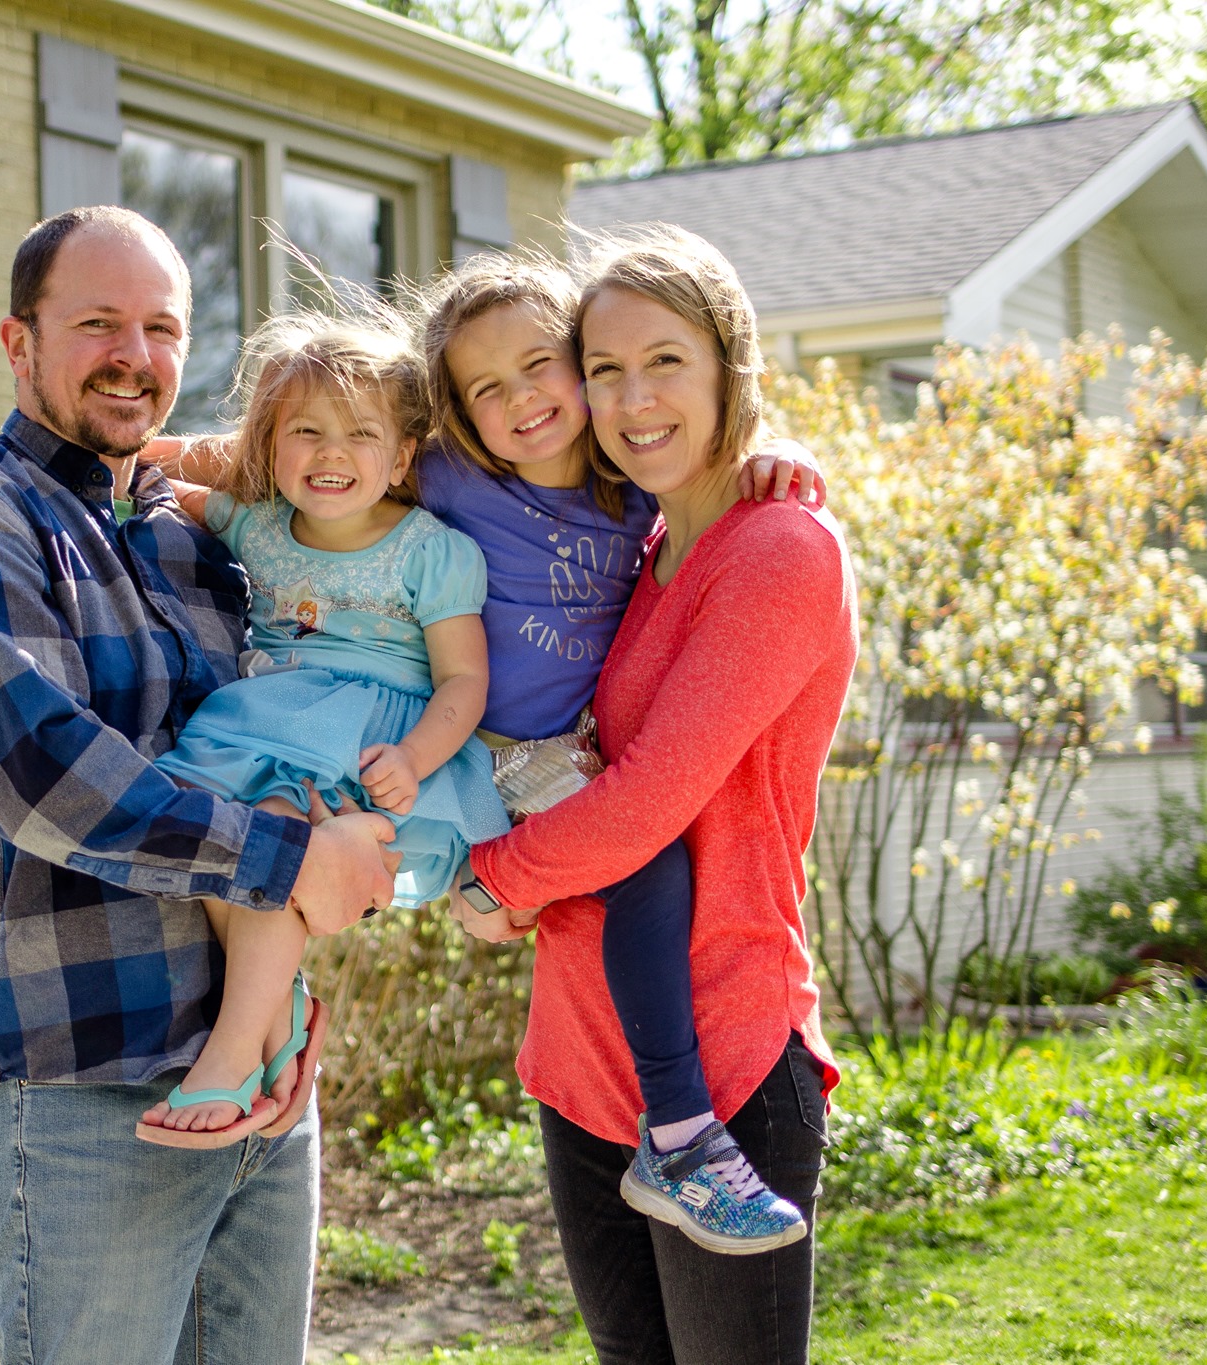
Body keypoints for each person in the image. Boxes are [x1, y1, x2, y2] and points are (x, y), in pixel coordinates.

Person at [0, 206, 400, 1365]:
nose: (135, 355)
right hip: (89, 1081)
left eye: (162, 327)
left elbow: (396, 497)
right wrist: (301, 862)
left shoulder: (198, 542)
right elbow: (48, 781)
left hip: (260, 1073)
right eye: (98, 323)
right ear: (19, 343)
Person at [456, 225, 859, 1365]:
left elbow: (647, 802)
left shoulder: (778, 550)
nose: (632, 399)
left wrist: (491, 882)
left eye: (665, 361)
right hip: (583, 1063)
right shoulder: (635, 550)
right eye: (602, 368)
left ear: (732, 364)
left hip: (724, 1062)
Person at [134, 307, 511, 1144]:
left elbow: (465, 680)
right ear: (268, 446)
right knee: (237, 846)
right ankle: (276, 1023)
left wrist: (414, 759)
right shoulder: (255, 525)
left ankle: (231, 1056)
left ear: (403, 455)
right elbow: (154, 465)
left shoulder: (430, 552)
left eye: (359, 434)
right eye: (305, 430)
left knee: (270, 849)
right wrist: (121, 455)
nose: (331, 453)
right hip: (269, 731)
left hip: (377, 752)